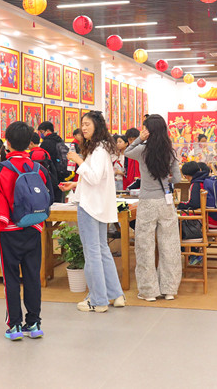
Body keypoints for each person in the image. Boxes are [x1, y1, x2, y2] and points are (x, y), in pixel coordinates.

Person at [0, 122, 54, 340]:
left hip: (8, 230)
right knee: (32, 276)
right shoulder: (39, 169)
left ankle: (14, 326)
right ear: (30, 143)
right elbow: (49, 197)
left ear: (7, 143)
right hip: (33, 227)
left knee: (10, 278)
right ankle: (34, 323)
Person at [60, 111, 125, 313]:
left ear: (97, 126)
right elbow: (97, 179)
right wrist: (76, 184)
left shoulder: (97, 150)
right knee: (102, 250)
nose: (84, 128)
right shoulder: (102, 148)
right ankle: (116, 294)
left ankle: (97, 300)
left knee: (92, 252)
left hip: (89, 207)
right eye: (82, 124)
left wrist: (78, 160)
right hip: (99, 205)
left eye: (87, 124)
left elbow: (95, 177)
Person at [125, 114, 182, 302]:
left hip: (147, 202)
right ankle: (169, 289)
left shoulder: (142, 150)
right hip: (166, 203)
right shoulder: (170, 152)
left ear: (148, 131)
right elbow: (178, 178)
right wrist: (165, 180)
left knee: (145, 246)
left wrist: (140, 139)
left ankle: (149, 291)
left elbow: (127, 151)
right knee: (169, 245)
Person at [37, 121, 66, 202]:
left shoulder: (46, 143)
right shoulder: (59, 140)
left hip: (52, 174)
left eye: (42, 132)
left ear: (48, 131)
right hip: (61, 172)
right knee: (59, 198)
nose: (41, 135)